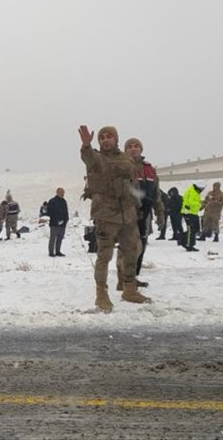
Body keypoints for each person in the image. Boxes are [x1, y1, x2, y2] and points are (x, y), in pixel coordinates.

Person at [79, 124, 150, 313]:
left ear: (116, 139)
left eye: (109, 136)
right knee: (104, 256)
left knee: (131, 252)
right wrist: (86, 145)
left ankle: (129, 289)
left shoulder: (126, 159)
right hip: (106, 215)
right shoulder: (96, 158)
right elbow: (87, 156)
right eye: (102, 137)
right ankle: (101, 294)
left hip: (128, 215)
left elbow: (134, 184)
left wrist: (139, 207)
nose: (105, 139)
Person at [115, 137, 163, 288]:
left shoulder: (150, 170)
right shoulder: (120, 167)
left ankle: (132, 277)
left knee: (140, 247)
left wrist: (160, 213)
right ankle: (122, 279)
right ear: (125, 150)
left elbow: (156, 194)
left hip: (145, 214)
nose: (133, 148)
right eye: (129, 146)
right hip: (127, 214)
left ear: (141, 149)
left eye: (136, 146)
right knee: (126, 247)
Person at [46, 187, 69, 257]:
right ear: (57, 192)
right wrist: (56, 220)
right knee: (52, 238)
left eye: (63, 193)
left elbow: (66, 212)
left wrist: (66, 220)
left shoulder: (64, 201)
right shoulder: (52, 201)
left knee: (60, 238)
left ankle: (58, 251)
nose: (63, 194)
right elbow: (49, 212)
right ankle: (51, 252)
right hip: (54, 224)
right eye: (62, 193)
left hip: (63, 224)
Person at [181, 183, 203, 252]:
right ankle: (188, 244)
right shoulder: (192, 191)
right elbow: (190, 201)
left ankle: (186, 241)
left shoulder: (196, 192)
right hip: (188, 212)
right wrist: (199, 204)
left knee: (195, 229)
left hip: (193, 212)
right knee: (191, 229)